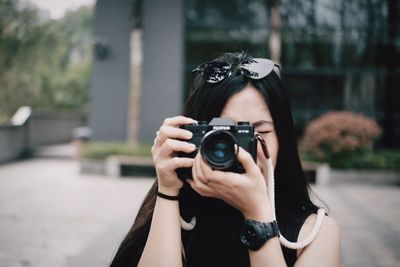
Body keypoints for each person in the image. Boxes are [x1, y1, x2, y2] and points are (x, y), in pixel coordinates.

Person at [110, 52, 341, 267]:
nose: (236, 150)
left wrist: (258, 213)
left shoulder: (315, 233)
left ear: (284, 138)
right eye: (222, 135)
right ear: (192, 135)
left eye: (257, 133)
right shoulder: (178, 218)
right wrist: (168, 189)